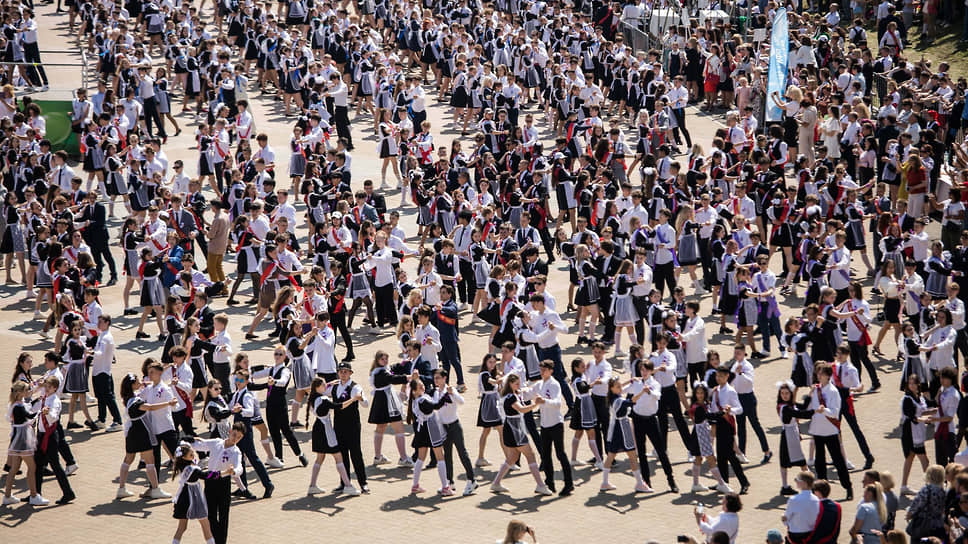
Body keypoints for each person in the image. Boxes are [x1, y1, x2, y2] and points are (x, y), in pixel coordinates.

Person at [190, 422, 246, 544]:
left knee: (223, 515)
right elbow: (202, 445)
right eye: (235, 435)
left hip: (224, 482)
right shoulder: (217, 442)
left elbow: (239, 467)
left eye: (239, 437)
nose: (235, 439)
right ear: (230, 431)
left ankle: (221, 541)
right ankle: (215, 540)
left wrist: (233, 471)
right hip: (210, 480)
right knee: (210, 514)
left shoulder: (236, 452)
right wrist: (189, 442)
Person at [809, 363, 854, 500]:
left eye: (821, 373)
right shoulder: (815, 390)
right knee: (820, 463)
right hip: (818, 430)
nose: (819, 375)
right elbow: (811, 407)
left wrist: (824, 411)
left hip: (830, 431)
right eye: (818, 373)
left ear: (828, 376)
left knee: (838, 461)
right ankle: (821, 492)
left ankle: (848, 487)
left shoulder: (833, 392)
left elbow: (835, 413)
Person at [432, 369, 477, 496]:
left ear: (444, 378)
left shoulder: (450, 390)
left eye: (438, 378)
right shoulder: (436, 392)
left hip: (454, 426)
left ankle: (472, 480)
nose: (436, 380)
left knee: (462, 453)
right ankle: (449, 482)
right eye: (435, 378)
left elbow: (461, 401)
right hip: (444, 428)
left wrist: (453, 393)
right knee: (447, 456)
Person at [905, 465, 947, 540]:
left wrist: (909, 514)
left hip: (923, 524)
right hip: (938, 524)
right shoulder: (943, 491)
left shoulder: (926, 489)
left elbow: (917, 504)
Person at [784, 472, 820, 543]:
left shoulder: (793, 499)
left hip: (795, 535)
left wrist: (783, 519)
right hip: (811, 534)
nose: (796, 481)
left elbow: (786, 518)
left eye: (797, 480)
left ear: (804, 483)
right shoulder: (817, 499)